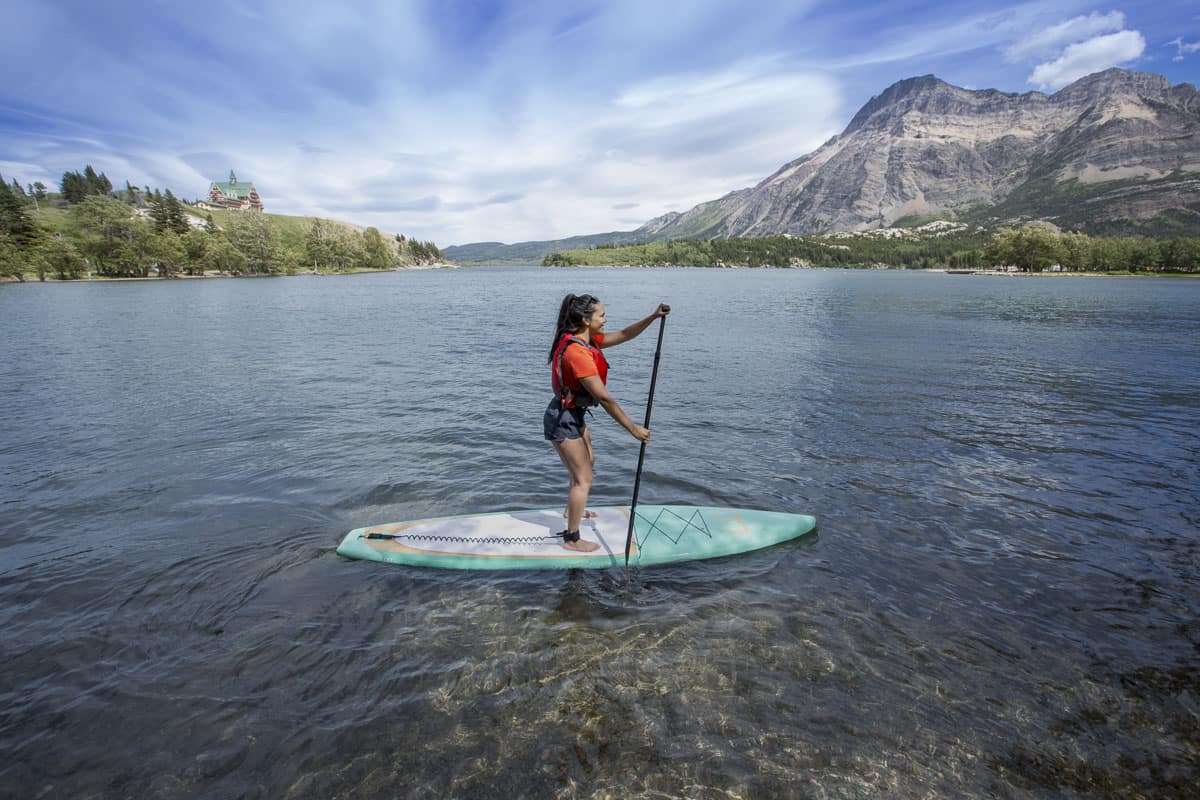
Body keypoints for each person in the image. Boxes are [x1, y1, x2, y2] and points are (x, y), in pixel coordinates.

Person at [544, 294, 670, 552]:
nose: (605, 319)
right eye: (601, 315)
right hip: (562, 419)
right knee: (583, 479)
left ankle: (572, 511)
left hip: (573, 414)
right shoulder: (577, 353)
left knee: (587, 462)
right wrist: (633, 429)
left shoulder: (588, 340)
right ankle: (572, 539)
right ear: (585, 320)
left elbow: (624, 334)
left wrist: (653, 317)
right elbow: (604, 398)